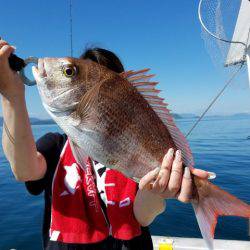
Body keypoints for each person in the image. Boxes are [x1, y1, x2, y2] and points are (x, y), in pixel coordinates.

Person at [0, 39, 209, 250]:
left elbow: (143, 218)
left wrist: (156, 190)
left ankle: (207, 199)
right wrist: (11, 95)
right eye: (71, 72)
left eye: (69, 72)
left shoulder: (135, 154)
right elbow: (24, 170)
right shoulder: (56, 144)